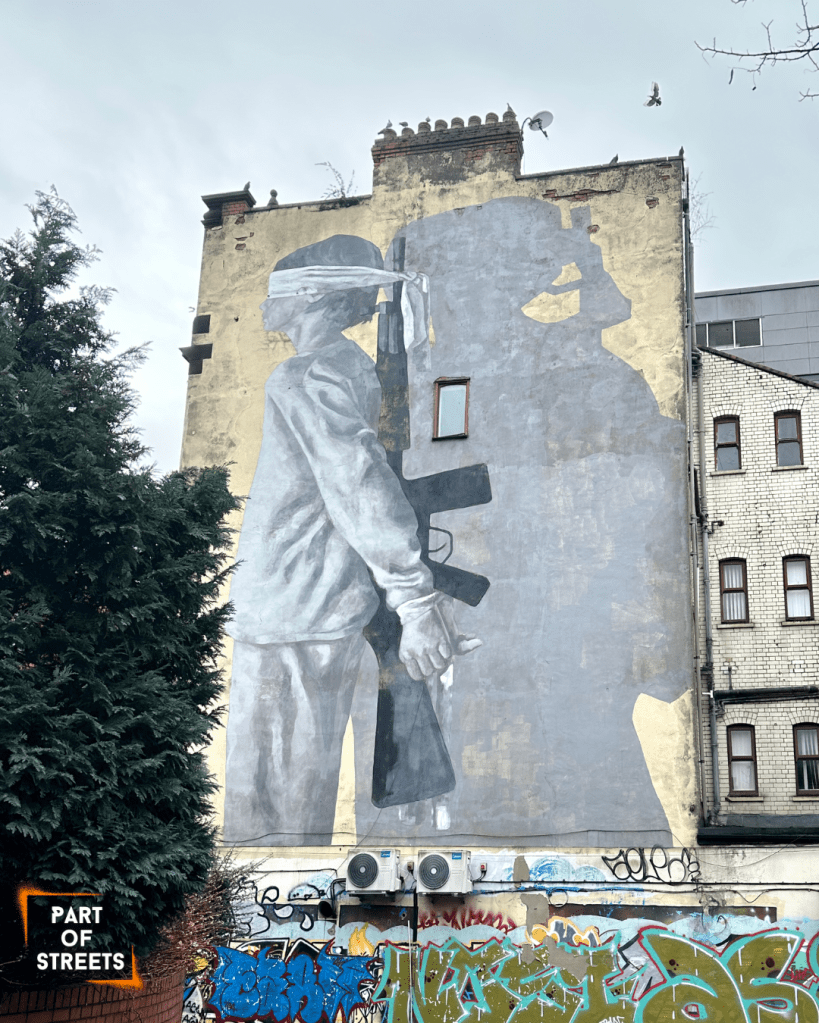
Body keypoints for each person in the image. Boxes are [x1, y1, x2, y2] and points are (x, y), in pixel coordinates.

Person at [223, 234, 478, 845]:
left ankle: (258, 935)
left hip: (295, 610)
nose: (263, 304)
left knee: (269, 822)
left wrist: (414, 602)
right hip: (299, 606)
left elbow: (359, 482)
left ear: (313, 296)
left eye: (277, 289)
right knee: (274, 808)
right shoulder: (339, 368)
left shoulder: (306, 374)